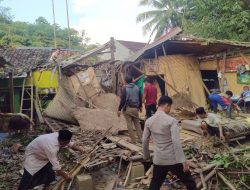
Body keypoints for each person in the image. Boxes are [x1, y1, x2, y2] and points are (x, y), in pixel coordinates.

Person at [143, 96, 197, 190]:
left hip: (159, 159)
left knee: (155, 183)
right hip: (173, 159)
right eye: (170, 107)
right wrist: (183, 161)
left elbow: (144, 140)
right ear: (167, 105)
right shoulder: (171, 121)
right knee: (189, 182)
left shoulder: (149, 121)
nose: (169, 109)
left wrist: (146, 156)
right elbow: (176, 142)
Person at [18, 129, 84, 190]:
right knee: (29, 173)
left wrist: (81, 150)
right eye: (61, 143)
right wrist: (66, 176)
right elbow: (57, 168)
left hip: (44, 154)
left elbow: (71, 144)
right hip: (34, 155)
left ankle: (46, 185)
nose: (63, 144)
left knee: (48, 170)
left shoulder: (61, 136)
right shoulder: (52, 147)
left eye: (65, 142)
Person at [118, 75, 143, 143]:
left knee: (129, 124)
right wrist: (140, 107)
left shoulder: (125, 88)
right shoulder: (137, 88)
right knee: (137, 124)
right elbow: (140, 98)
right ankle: (141, 139)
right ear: (132, 80)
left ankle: (133, 140)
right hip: (135, 108)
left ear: (125, 81)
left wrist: (119, 109)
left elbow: (123, 100)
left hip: (127, 109)